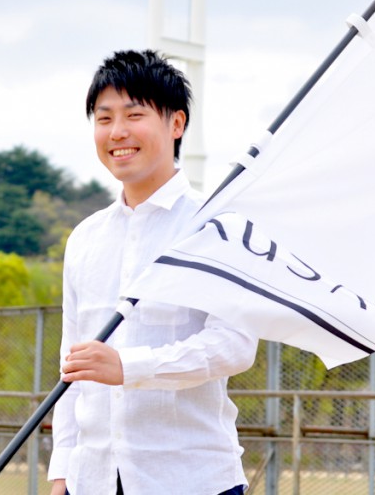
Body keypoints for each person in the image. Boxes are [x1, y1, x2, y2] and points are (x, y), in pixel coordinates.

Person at [48, 50, 257, 495]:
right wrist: (63, 468)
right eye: (104, 119)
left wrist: (128, 366)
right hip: (93, 481)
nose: (117, 132)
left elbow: (234, 347)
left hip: (191, 480)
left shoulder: (216, 227)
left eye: (134, 114)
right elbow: (73, 363)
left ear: (176, 124)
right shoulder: (84, 239)